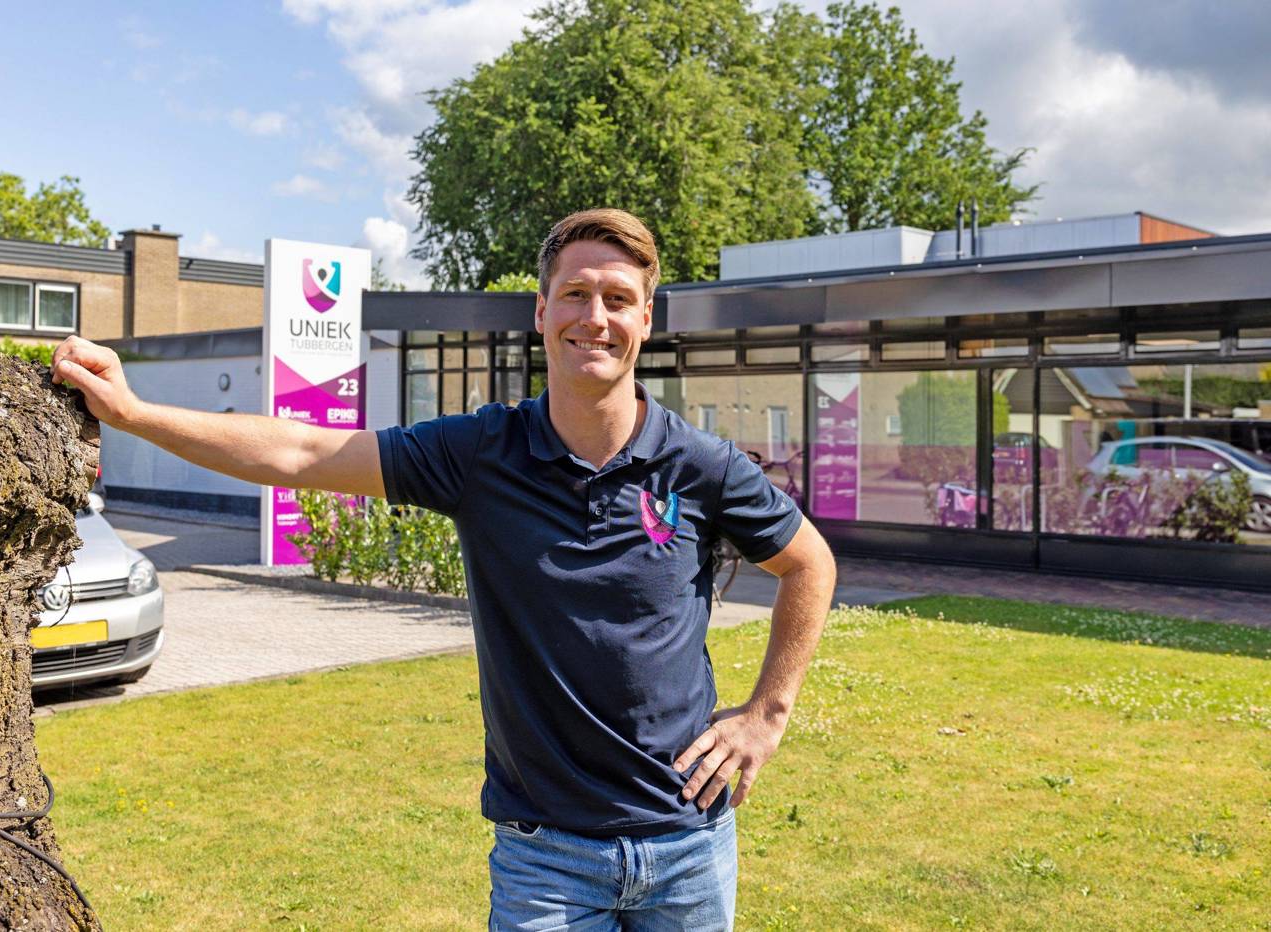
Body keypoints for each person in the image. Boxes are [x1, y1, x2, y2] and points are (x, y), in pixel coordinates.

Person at [52, 208, 836, 930]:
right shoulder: (480, 455)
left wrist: (767, 713)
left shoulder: (700, 465)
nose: (595, 318)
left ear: (645, 320)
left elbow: (810, 564)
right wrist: (136, 414)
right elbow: (302, 451)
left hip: (688, 847)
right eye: (575, 294)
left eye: (618, 299)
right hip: (547, 860)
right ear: (541, 312)